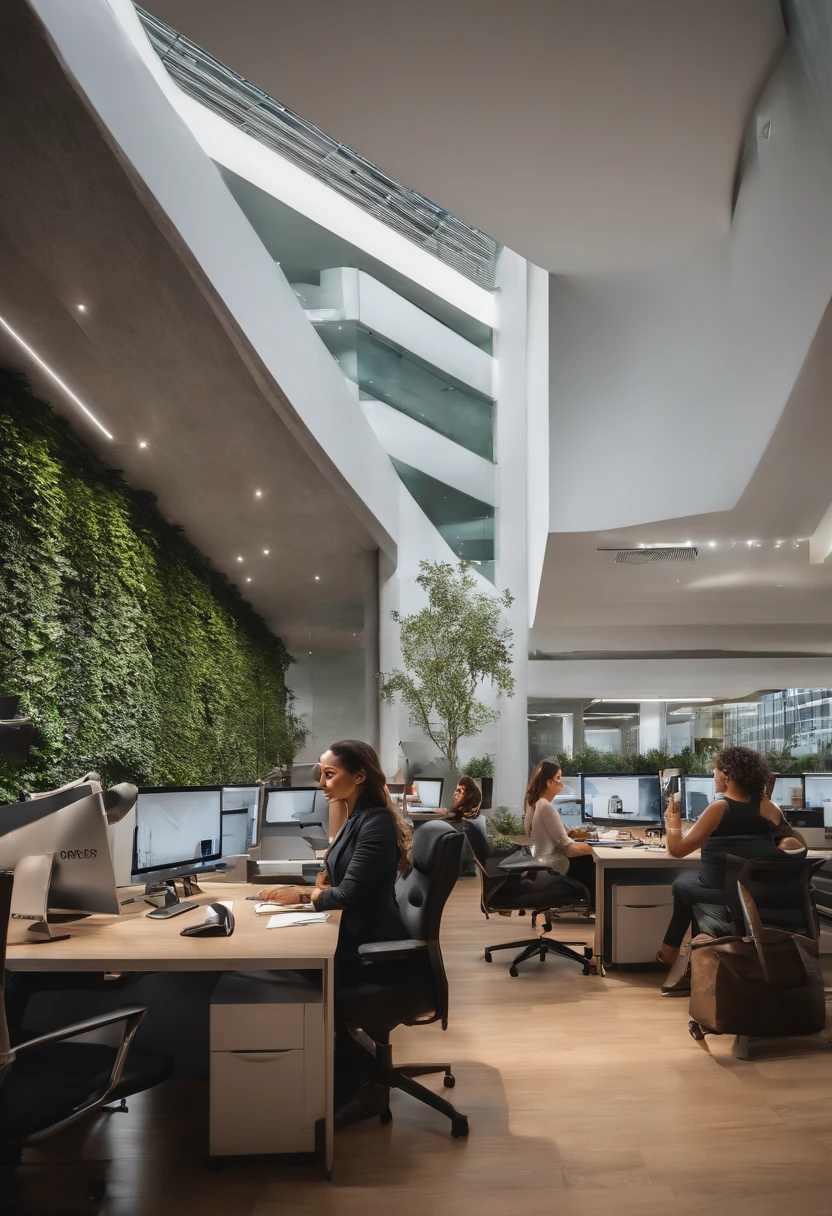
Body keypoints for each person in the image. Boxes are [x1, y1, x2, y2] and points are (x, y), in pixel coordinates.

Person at [657, 747, 796, 980]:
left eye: (716, 769)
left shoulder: (719, 807)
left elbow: (678, 850)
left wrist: (672, 821)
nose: (713, 773)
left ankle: (674, 955)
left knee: (681, 886)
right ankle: (677, 954)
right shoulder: (767, 807)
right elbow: (789, 841)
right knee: (685, 887)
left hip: (723, 890)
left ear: (727, 775)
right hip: (756, 891)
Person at [523, 758, 596, 906]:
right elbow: (567, 848)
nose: (562, 784)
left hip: (543, 864)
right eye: (558, 778)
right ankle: (601, 913)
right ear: (548, 783)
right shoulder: (545, 807)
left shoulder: (536, 804)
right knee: (594, 862)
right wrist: (594, 849)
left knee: (587, 855)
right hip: (553, 867)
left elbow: (565, 834)